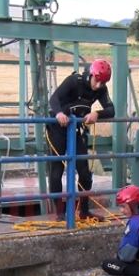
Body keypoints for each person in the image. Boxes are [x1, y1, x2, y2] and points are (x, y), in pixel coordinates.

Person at [47, 59, 115, 221]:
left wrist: (97, 114)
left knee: (84, 171)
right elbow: (54, 99)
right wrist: (59, 114)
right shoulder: (74, 81)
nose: (98, 85)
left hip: (75, 129)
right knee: (57, 170)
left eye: (103, 82)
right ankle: (60, 213)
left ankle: (84, 211)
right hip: (58, 128)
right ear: (91, 74)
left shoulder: (100, 88)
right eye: (97, 80)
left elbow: (111, 109)